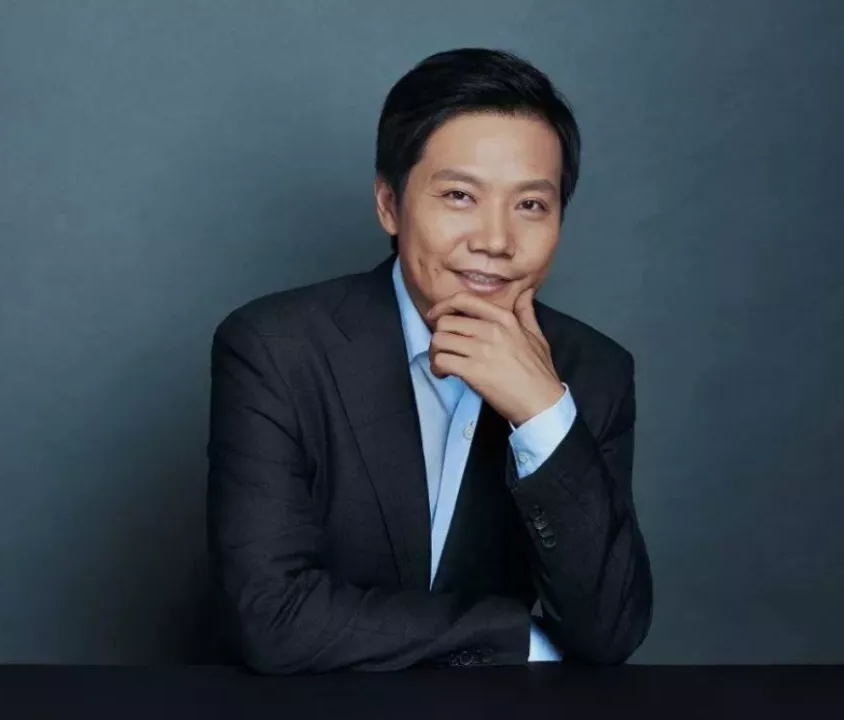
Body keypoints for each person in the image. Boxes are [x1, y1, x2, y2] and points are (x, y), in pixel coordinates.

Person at [205, 48, 652, 674]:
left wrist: (543, 415)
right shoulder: (276, 348)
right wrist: (515, 638)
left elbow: (608, 633)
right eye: (460, 195)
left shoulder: (594, 370)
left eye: (530, 205)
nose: (495, 241)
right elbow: (272, 617)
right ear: (389, 204)